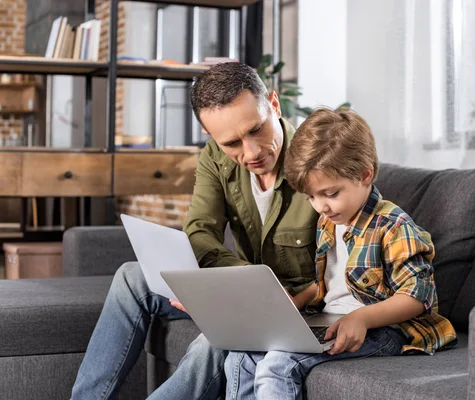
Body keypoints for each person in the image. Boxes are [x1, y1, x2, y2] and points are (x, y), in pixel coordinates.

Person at [71, 62, 319, 400]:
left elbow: (342, 269)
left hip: (298, 304)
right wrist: (231, 284)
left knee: (215, 339)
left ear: (273, 104)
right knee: (132, 277)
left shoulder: (318, 158)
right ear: (211, 136)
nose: (251, 152)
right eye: (232, 142)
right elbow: (200, 233)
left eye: (257, 129)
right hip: (242, 290)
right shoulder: (216, 158)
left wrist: (246, 294)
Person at [224, 108, 458, 400]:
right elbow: (330, 283)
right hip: (330, 318)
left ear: (364, 175)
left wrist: (361, 318)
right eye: (311, 196)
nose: (320, 206)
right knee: (241, 356)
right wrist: (293, 304)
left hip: (386, 329)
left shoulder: (394, 226)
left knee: (279, 364)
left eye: (330, 194)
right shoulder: (329, 222)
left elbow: (418, 297)